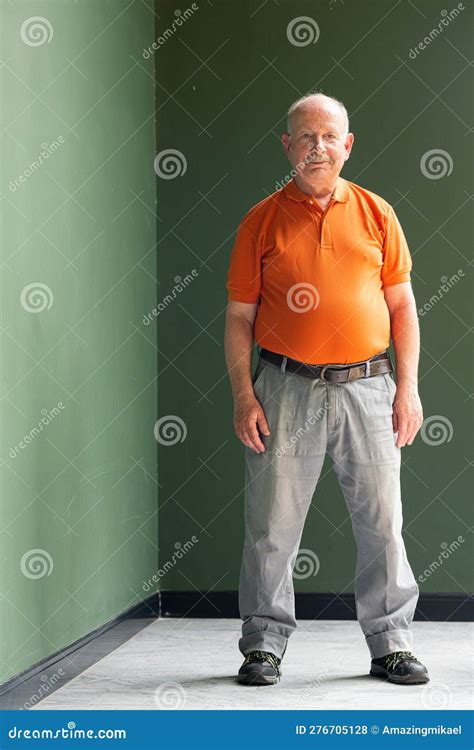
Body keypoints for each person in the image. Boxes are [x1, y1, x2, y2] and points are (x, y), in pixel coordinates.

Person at [224, 92, 429, 687]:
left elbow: (402, 306)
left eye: (328, 136)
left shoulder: (377, 214)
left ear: (347, 144)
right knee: (271, 525)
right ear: (287, 147)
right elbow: (239, 316)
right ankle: (263, 645)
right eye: (305, 137)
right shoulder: (260, 221)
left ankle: (390, 642)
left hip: (369, 386)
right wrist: (244, 394)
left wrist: (407, 388)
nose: (317, 147)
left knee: (382, 522)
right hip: (284, 388)